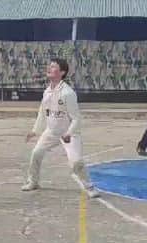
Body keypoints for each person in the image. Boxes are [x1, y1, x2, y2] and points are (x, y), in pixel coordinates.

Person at [22, 58, 99, 194]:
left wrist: (69, 133)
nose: (49, 68)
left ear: (62, 72)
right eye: (49, 66)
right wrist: (35, 131)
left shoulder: (67, 93)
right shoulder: (47, 92)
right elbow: (42, 112)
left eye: (53, 67)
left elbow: (76, 118)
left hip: (69, 134)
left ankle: (89, 187)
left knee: (76, 162)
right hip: (51, 132)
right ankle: (33, 181)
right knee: (36, 153)